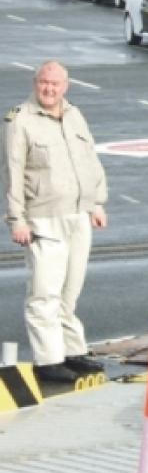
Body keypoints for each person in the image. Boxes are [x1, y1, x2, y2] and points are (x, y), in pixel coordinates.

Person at [2, 61, 108, 383]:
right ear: (36, 84)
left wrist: (96, 203)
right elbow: (13, 174)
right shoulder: (20, 120)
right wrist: (16, 220)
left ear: (66, 86)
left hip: (78, 215)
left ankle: (73, 351)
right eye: (43, 83)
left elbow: (91, 159)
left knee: (69, 291)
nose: (49, 89)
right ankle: (48, 361)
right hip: (43, 220)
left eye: (55, 83)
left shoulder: (74, 114)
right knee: (44, 293)